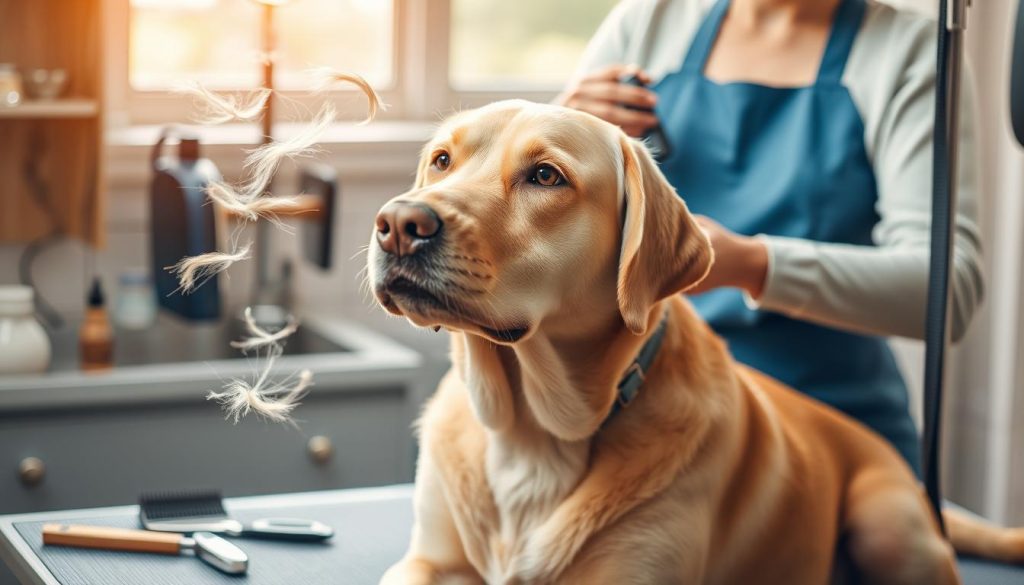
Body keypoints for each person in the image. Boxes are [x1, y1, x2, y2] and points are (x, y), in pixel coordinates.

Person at [557, 0, 984, 472]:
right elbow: (549, 235)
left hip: (831, 438)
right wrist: (564, 129)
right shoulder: (652, 20)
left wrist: (750, 265)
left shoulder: (911, 53)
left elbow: (950, 291)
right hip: (646, 410)